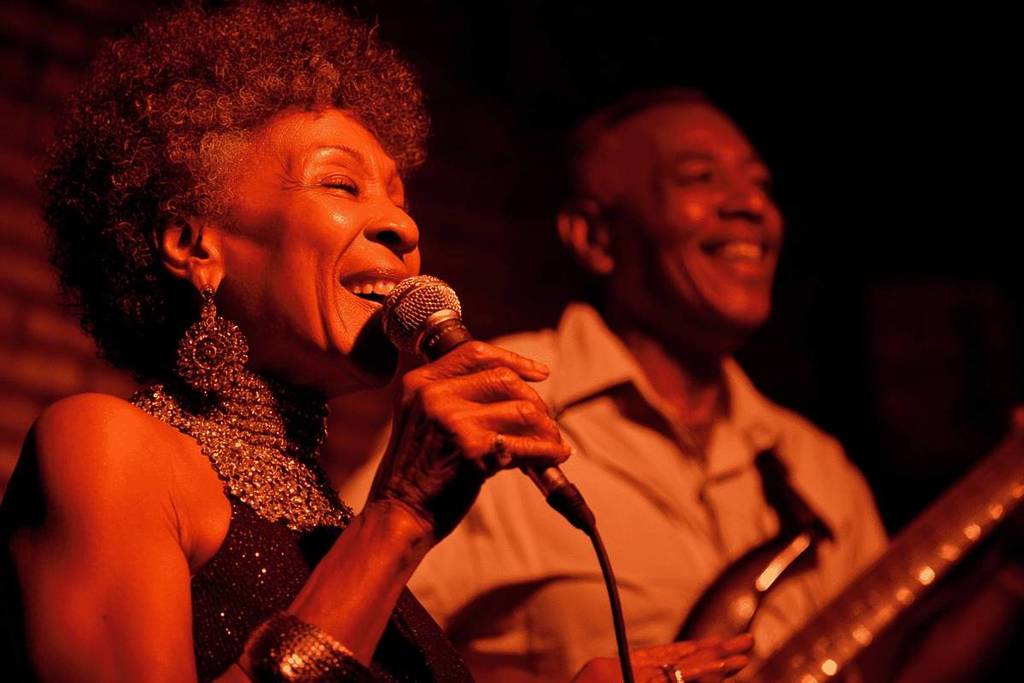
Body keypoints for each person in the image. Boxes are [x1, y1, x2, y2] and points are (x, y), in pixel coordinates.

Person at [0, 3, 753, 681]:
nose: (405, 227)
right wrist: (397, 518)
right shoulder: (106, 447)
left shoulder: (328, 525)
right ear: (192, 242)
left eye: (398, 195)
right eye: (341, 185)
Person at [408, 89, 890, 682]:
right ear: (593, 236)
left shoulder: (817, 467)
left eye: (761, 185)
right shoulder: (490, 408)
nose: (750, 206)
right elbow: (347, 651)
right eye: (700, 178)